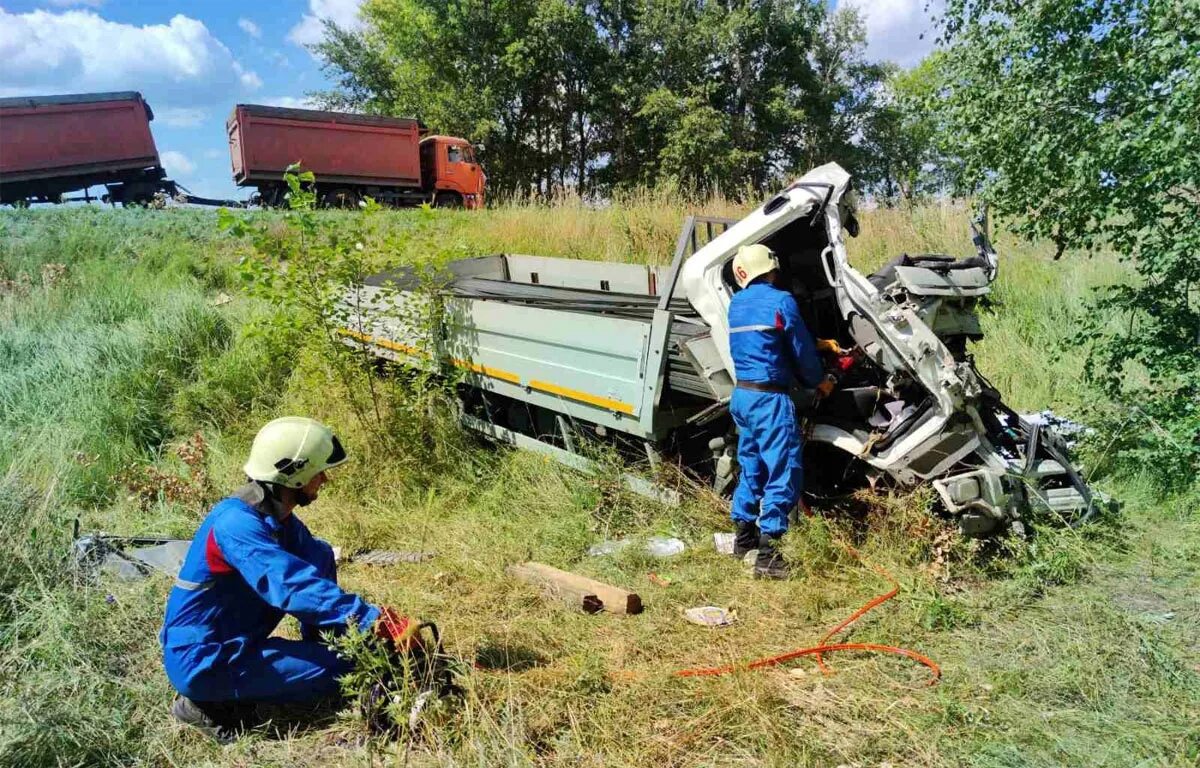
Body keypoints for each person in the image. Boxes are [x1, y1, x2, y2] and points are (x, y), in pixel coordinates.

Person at [160, 416, 416, 742]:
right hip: (205, 658)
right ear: (293, 475)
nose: (324, 478)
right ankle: (202, 703)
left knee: (319, 555)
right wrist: (376, 622)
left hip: (235, 638)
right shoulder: (235, 525)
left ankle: (327, 647)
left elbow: (314, 565)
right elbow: (294, 586)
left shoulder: (279, 520)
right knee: (348, 669)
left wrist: (362, 636)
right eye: (318, 471)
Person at [726, 244, 828, 578]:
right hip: (770, 400)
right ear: (772, 270)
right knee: (783, 470)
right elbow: (799, 353)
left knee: (752, 465)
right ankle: (770, 557)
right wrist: (821, 378)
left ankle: (743, 540)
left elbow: (765, 342)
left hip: (743, 396)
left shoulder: (737, 304)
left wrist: (820, 343)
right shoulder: (782, 300)